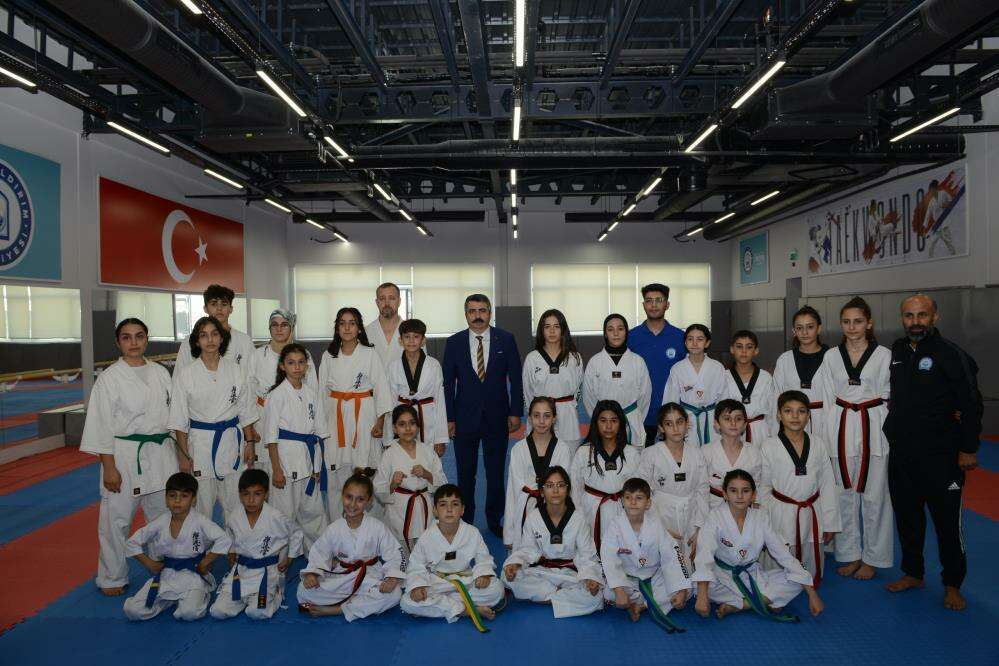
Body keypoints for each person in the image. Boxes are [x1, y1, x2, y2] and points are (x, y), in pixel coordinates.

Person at [883, 294, 982, 610]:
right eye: (909, 316)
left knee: (947, 524)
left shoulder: (951, 354)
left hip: (942, 457)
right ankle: (913, 573)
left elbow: (971, 404)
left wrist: (968, 448)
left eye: (922, 315)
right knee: (907, 519)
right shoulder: (898, 351)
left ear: (934, 317)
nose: (915, 322)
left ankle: (953, 584)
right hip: (902, 455)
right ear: (902, 318)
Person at [81, 318, 177, 596]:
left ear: (147, 339)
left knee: (162, 515)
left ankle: (164, 565)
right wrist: (109, 468)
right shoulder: (109, 378)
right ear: (118, 342)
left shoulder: (160, 373)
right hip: (124, 457)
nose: (134, 342)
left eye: (139, 336)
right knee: (116, 520)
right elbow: (101, 425)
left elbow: (173, 416)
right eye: (126, 337)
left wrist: (182, 454)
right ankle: (112, 577)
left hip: (161, 454)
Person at [820, 297, 893, 580]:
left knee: (875, 494)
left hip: (873, 424)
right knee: (843, 492)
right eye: (847, 322)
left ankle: (874, 558)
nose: (852, 327)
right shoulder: (831, 356)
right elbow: (827, 397)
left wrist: (884, 427)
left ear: (869, 323)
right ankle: (849, 554)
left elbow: (889, 394)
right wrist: (827, 432)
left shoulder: (884, 355)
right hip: (841, 425)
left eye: (858, 321)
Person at [693, 470, 823, 622]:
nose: (740, 496)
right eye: (733, 491)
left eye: (745, 491)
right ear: (725, 494)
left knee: (796, 581)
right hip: (723, 574)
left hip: (752, 574)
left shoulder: (761, 517)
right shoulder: (714, 517)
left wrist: (812, 593)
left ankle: (741, 605)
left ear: (753, 495)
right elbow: (704, 555)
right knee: (700, 587)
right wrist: (702, 595)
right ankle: (765, 600)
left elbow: (782, 553)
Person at [442, 294, 524, 536]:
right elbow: (447, 384)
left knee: (496, 473)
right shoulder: (454, 342)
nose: (477, 316)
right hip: (464, 418)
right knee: (466, 474)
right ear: (465, 314)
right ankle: (466, 520)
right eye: (472, 311)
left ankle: (494, 520)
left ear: (490, 313)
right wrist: (449, 418)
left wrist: (515, 412)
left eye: (482, 310)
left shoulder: (506, 339)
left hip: (497, 417)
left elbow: (516, 378)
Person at [168, 316, 257, 526]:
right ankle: (201, 545)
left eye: (214, 334)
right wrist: (183, 455)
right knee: (202, 506)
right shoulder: (187, 374)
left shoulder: (236, 370)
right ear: (197, 341)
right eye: (204, 335)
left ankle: (234, 543)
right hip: (201, 446)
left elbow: (246, 410)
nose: (210, 340)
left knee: (235, 505)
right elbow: (179, 419)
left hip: (231, 443)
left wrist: (250, 442)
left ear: (222, 338)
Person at [122, 472, 231, 621]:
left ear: (193, 500)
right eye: (172, 496)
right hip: (167, 575)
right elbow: (132, 542)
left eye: (184, 496)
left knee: (189, 613)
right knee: (133, 610)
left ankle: (200, 593)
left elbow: (224, 539)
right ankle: (167, 601)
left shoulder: (200, 521)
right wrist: (149, 563)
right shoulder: (161, 522)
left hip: (193, 575)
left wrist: (206, 561)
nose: (177, 501)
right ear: (166, 499)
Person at [758, 391, 840, 589]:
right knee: (779, 571)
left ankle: (807, 583)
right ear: (779, 415)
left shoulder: (818, 443)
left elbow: (827, 485)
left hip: (811, 510)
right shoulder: (769, 446)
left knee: (809, 565)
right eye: (788, 411)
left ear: (808, 415)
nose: (795, 416)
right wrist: (763, 522)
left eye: (801, 411)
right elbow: (763, 487)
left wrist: (830, 522)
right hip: (781, 512)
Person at [318, 307, 393, 520]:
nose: (347, 328)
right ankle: (337, 526)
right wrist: (321, 427)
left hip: (364, 415)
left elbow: (381, 389)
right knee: (336, 474)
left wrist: (380, 422)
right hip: (336, 417)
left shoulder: (370, 354)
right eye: (342, 323)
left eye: (352, 323)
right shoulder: (329, 355)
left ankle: (372, 527)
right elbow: (321, 392)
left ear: (359, 328)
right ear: (337, 328)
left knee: (366, 470)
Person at [297, 474, 406, 619]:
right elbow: (319, 554)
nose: (353, 504)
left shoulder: (377, 527)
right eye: (349, 497)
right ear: (342, 496)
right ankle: (358, 604)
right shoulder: (334, 529)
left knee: (395, 594)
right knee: (302, 591)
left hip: (370, 577)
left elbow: (395, 554)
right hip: (342, 577)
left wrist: (391, 579)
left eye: (360, 499)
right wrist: (312, 574)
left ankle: (338, 610)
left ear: (369, 501)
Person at [502, 466, 604, 618]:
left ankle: (547, 596)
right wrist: (516, 563)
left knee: (597, 595)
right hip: (542, 571)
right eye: (549, 486)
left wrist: (590, 578)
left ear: (567, 490)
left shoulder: (578, 519)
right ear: (542, 491)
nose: (555, 490)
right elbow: (528, 549)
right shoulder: (534, 517)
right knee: (507, 576)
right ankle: (563, 597)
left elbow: (586, 554)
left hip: (570, 573)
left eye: (560, 485)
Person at [400, 484, 505, 630]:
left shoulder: (472, 532)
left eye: (455, 504)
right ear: (435, 510)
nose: (449, 509)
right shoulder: (427, 537)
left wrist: (483, 575)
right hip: (438, 582)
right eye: (443, 505)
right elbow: (416, 565)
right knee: (407, 601)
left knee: (497, 589)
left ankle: (445, 605)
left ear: (462, 510)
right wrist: (418, 586)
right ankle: (467, 610)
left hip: (466, 580)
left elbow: (483, 558)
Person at [209, 469, 302, 620]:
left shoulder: (275, 516)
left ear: (266, 494)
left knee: (257, 613)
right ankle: (245, 599)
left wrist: (290, 558)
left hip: (267, 573)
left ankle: (276, 593)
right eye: (246, 494)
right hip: (241, 572)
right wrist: (232, 552)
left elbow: (296, 533)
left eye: (257, 494)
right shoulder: (235, 516)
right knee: (218, 612)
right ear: (240, 495)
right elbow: (229, 535)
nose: (251, 500)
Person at [600, 477, 691, 631]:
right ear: (622, 501)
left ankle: (640, 606)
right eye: (628, 497)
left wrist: (681, 589)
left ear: (648, 503)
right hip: (628, 579)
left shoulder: (656, 525)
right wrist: (619, 590)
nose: (633, 502)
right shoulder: (615, 526)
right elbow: (609, 559)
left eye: (639, 498)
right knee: (609, 593)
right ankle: (644, 602)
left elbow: (672, 556)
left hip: (653, 577)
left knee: (685, 590)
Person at [262, 343, 329, 551]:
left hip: (308, 462)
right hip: (285, 462)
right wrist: (276, 469)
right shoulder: (276, 395)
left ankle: (318, 558)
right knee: (283, 515)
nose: (297, 367)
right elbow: (271, 438)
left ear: (307, 366)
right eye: (291, 363)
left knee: (314, 514)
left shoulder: (311, 393)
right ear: (282, 366)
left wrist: (317, 467)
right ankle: (279, 560)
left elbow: (319, 432)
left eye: (301, 362)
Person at [249, 309, 317, 476]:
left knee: (295, 470)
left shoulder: (304, 355)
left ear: (291, 328)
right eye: (274, 325)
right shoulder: (257, 355)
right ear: (269, 328)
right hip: (262, 418)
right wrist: (250, 427)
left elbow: (312, 392)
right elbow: (248, 393)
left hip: (295, 422)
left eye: (284, 325)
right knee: (265, 471)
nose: (279, 329)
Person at [638, 403, 709, 562]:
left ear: (687, 423)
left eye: (679, 422)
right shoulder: (650, 454)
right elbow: (642, 493)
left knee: (689, 565)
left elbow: (703, 491)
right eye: (669, 424)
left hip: (691, 517)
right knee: (665, 565)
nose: (675, 428)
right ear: (661, 428)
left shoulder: (697, 454)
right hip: (661, 516)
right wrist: (658, 527)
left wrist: (699, 528)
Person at [570, 400, 642, 552]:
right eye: (603, 421)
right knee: (591, 553)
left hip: (621, 510)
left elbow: (638, 489)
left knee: (621, 554)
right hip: (592, 511)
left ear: (621, 424)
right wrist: (579, 517)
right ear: (595, 423)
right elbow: (575, 489)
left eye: (614, 421)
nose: (608, 426)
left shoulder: (631, 453)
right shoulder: (584, 452)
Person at [503, 396, 574, 550]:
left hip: (554, 510)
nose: (541, 421)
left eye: (547, 416)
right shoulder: (518, 449)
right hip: (526, 510)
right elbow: (512, 493)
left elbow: (566, 489)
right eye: (536, 416)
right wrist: (509, 533)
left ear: (554, 418)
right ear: (529, 418)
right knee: (525, 558)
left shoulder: (563, 449)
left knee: (552, 555)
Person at [374, 405, 447, 552]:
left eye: (412, 423)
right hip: (399, 510)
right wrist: (393, 484)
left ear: (418, 427)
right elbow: (378, 488)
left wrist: (427, 474)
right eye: (402, 424)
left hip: (424, 508)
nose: (408, 428)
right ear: (394, 429)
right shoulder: (389, 454)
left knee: (425, 550)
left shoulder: (427, 451)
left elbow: (443, 482)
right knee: (401, 553)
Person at [628, 283, 687, 447]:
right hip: (639, 414)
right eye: (649, 301)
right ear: (643, 305)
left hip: (672, 415)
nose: (653, 305)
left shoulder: (680, 338)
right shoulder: (631, 337)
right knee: (640, 459)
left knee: (672, 460)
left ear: (667, 304)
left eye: (659, 300)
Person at [583, 314, 652, 446]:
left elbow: (645, 395)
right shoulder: (595, 362)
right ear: (605, 334)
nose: (616, 333)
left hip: (631, 421)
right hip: (605, 424)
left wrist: (635, 417)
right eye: (610, 329)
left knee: (633, 457)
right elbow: (588, 397)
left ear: (626, 332)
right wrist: (600, 419)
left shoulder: (638, 361)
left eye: (620, 329)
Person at [522, 309, 584, 449]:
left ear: (563, 330)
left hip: (567, 414)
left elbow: (578, 389)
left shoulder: (574, 358)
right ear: (541, 330)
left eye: (556, 326)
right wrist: (536, 413)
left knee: (568, 456)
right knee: (539, 457)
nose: (552, 331)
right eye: (547, 327)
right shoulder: (532, 358)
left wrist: (568, 405)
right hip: (540, 415)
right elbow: (527, 391)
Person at [386, 319, 448, 457]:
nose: (411, 341)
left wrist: (440, 438)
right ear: (400, 340)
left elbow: (440, 401)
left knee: (428, 460)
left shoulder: (434, 365)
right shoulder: (394, 366)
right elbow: (390, 402)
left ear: (423, 340)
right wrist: (389, 437)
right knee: (402, 460)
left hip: (428, 418)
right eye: (407, 337)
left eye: (416, 336)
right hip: (403, 418)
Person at [663, 324, 727, 446]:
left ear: (707, 343)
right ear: (685, 343)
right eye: (690, 339)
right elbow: (670, 400)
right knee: (689, 452)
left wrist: (722, 420)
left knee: (713, 452)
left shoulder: (717, 367)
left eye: (700, 339)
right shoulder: (677, 368)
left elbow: (723, 398)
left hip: (712, 419)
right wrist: (674, 423)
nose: (695, 343)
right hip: (687, 419)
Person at [774, 306, 830, 439]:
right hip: (792, 420)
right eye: (799, 328)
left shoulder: (831, 357)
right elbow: (777, 393)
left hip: (824, 420)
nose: (805, 332)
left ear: (819, 328)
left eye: (810, 327)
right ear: (794, 331)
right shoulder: (785, 359)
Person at [174, 284, 255, 374]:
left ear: (231, 309)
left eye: (224, 304)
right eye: (214, 304)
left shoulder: (245, 341)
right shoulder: (190, 341)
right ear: (205, 308)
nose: (219, 308)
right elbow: (179, 377)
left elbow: (253, 376)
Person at [703, 399, 761, 509]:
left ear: (745, 424)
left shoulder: (754, 453)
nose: (733, 423)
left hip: (745, 511)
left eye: (738, 419)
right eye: (727, 419)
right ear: (717, 424)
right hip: (713, 509)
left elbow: (758, 486)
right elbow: (700, 488)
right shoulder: (706, 452)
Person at [724, 330, 776, 444]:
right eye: (739, 346)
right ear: (732, 349)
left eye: (749, 347)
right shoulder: (724, 377)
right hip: (732, 428)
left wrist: (773, 436)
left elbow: (772, 410)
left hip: (760, 430)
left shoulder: (765, 377)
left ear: (756, 350)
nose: (744, 351)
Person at [365, 282, 407, 369]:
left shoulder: (413, 332)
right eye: (382, 299)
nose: (387, 303)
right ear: (377, 302)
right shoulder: (365, 333)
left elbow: (423, 366)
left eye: (392, 298)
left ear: (399, 301)